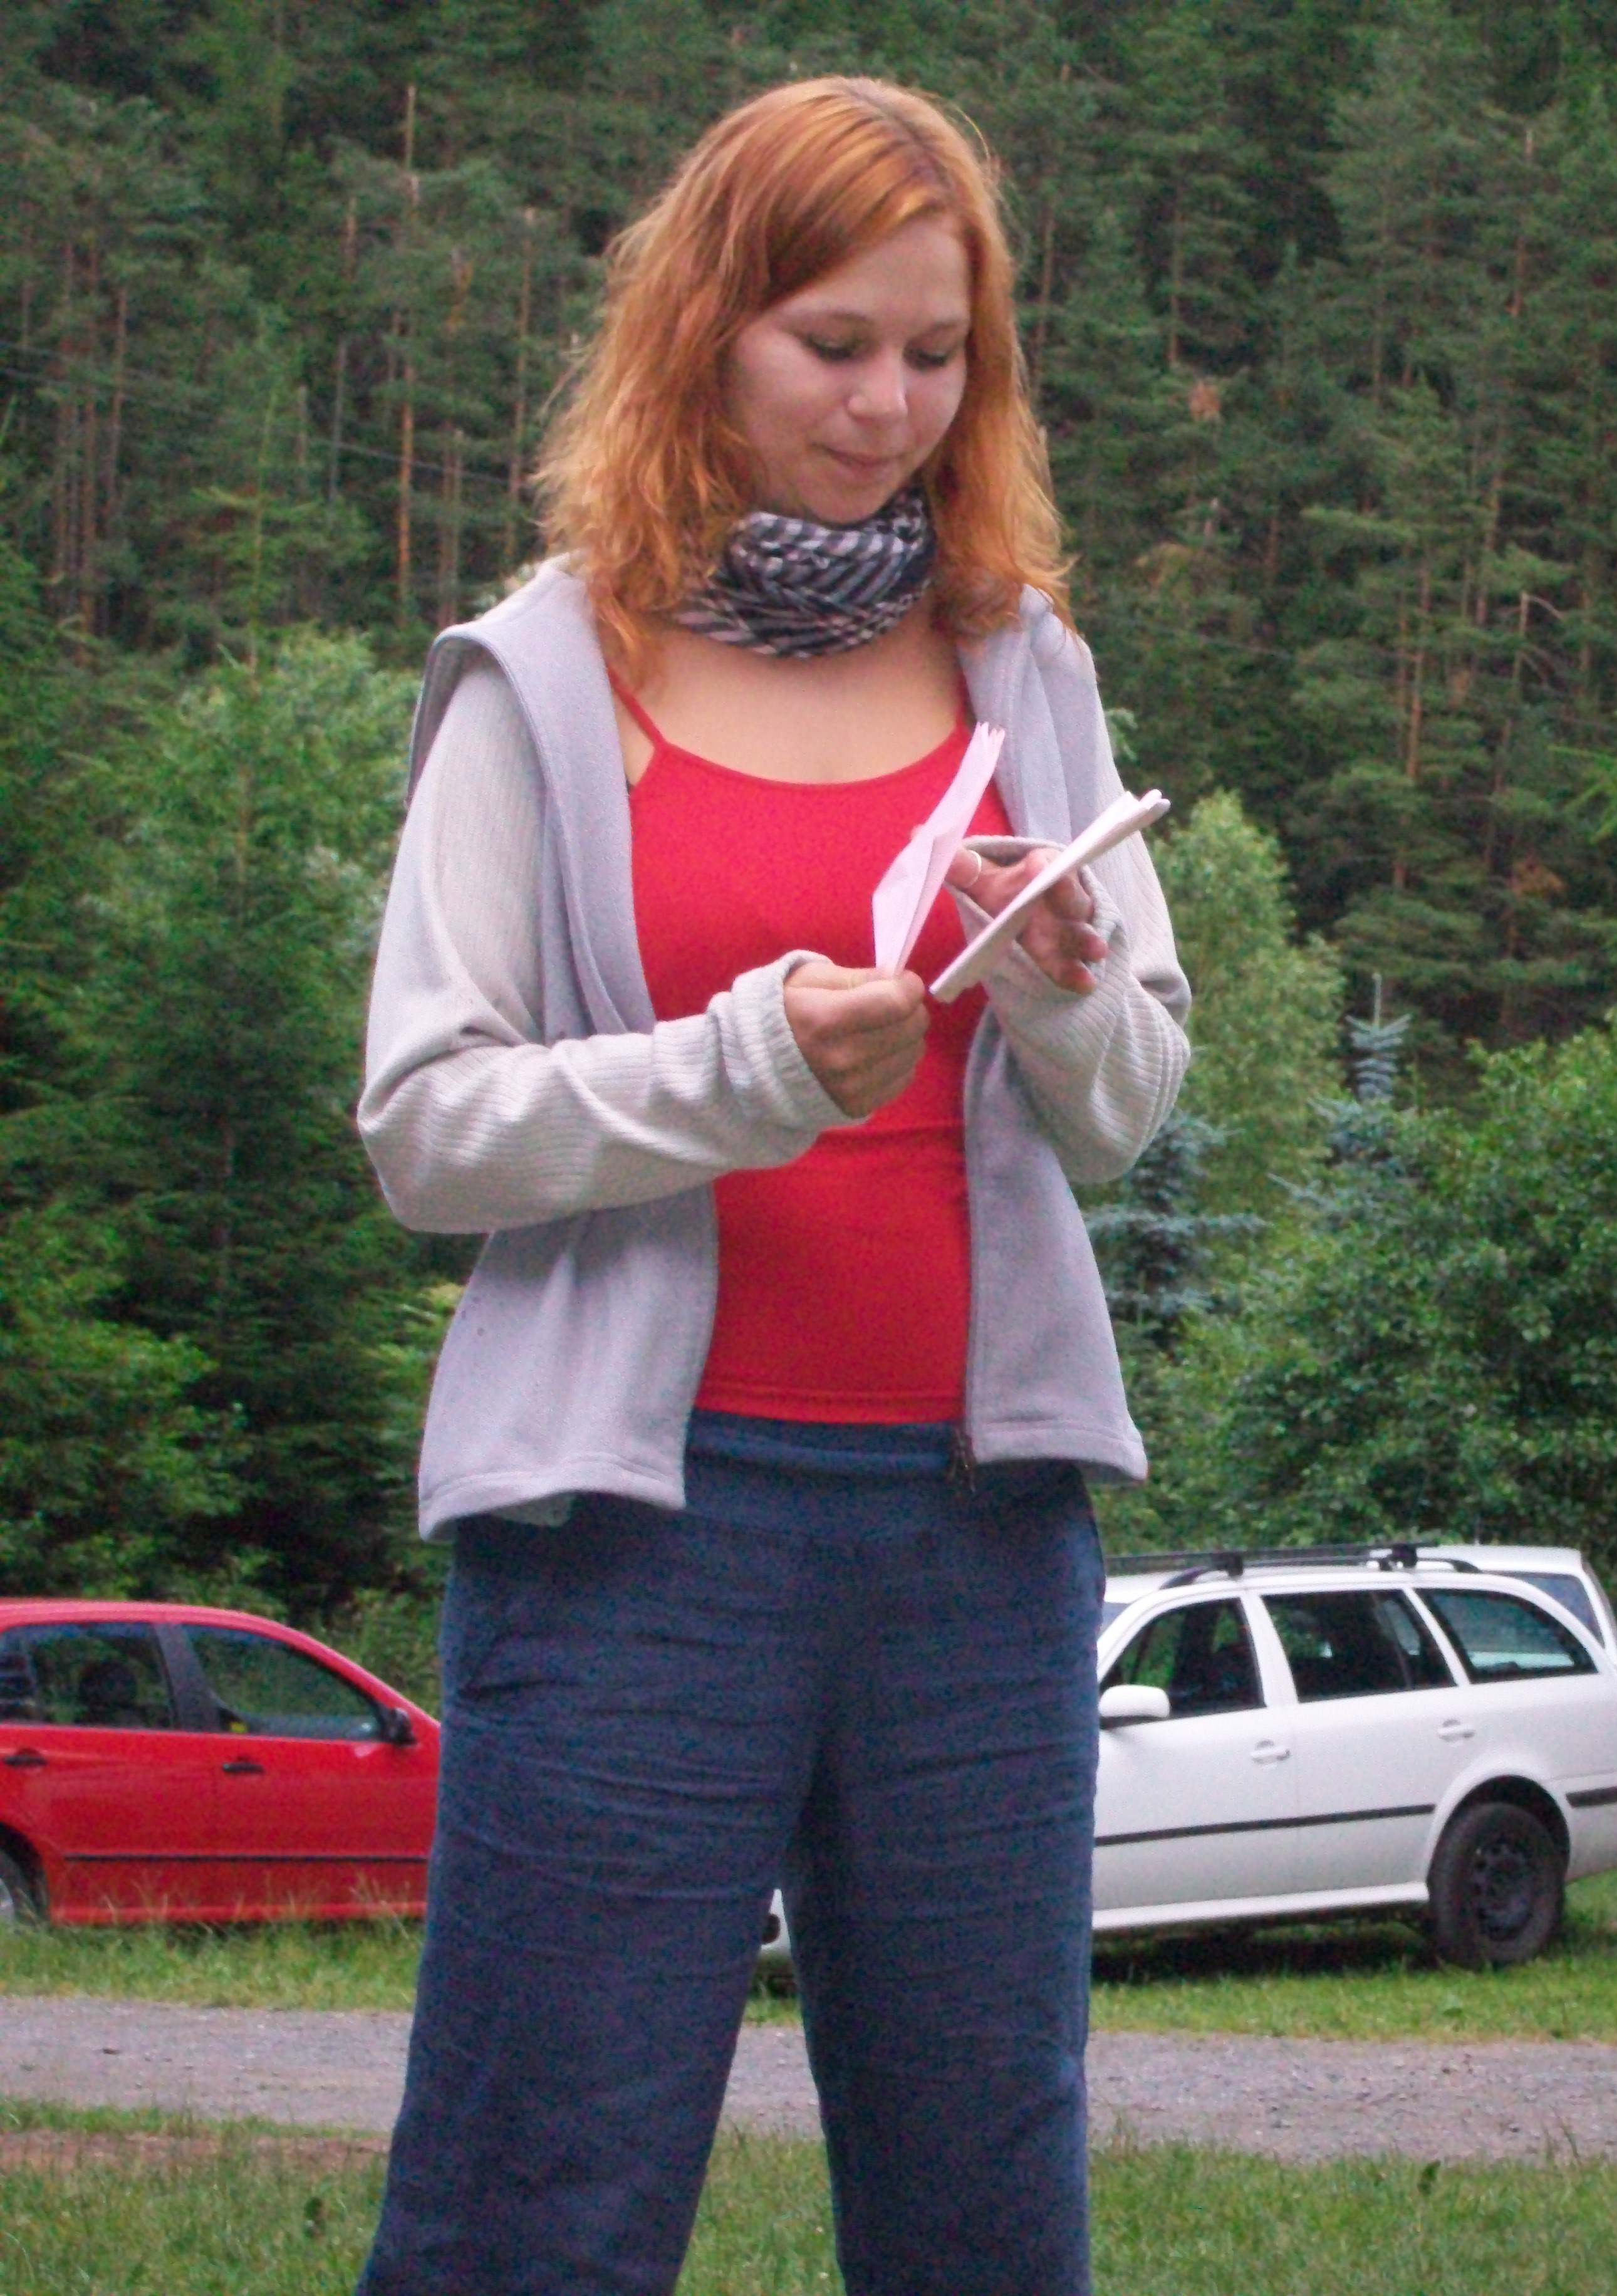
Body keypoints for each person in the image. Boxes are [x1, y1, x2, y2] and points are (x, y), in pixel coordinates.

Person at [354, 75, 1189, 2296]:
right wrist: (739, 1074)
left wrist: (1058, 990)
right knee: (540, 2198)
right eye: (832, 344)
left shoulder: (1026, 665)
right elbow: (425, 1129)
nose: (886, 406)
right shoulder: (545, 675)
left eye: (935, 354)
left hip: (981, 1541)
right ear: (704, 327)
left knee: (984, 2210)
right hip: (631, 1542)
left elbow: (1124, 1107)